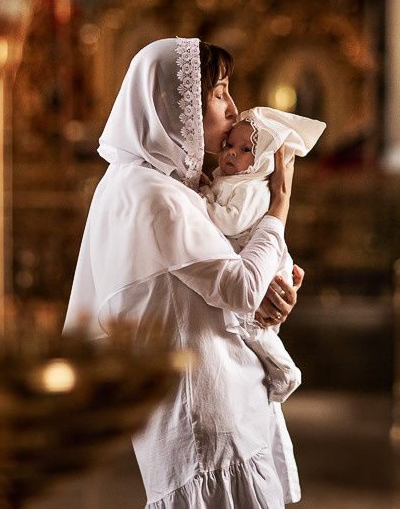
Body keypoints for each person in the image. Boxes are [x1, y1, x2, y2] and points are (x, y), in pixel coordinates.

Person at [63, 37, 303, 508]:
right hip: (208, 419)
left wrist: (271, 296)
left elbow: (207, 296)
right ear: (174, 107)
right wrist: (279, 206)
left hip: (210, 407)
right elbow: (238, 288)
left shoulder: (141, 183)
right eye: (218, 93)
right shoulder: (154, 194)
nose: (233, 108)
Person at [200, 107, 325, 403]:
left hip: (267, 265)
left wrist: (202, 199)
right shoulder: (232, 180)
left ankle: (286, 371)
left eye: (245, 150)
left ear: (263, 161)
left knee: (256, 329)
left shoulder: (253, 189)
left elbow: (229, 221)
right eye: (230, 146)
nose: (231, 153)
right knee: (252, 327)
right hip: (252, 259)